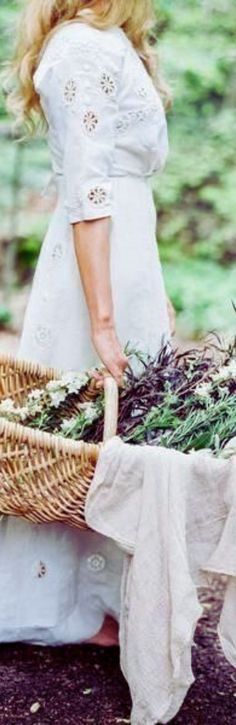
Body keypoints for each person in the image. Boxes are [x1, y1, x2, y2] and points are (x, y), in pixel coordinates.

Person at [1, 0, 175, 646]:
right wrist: (103, 319)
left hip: (123, 257)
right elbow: (90, 188)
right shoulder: (79, 47)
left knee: (119, 428)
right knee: (82, 430)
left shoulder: (106, 41)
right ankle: (66, 598)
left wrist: (148, 294)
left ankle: (101, 590)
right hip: (92, 265)